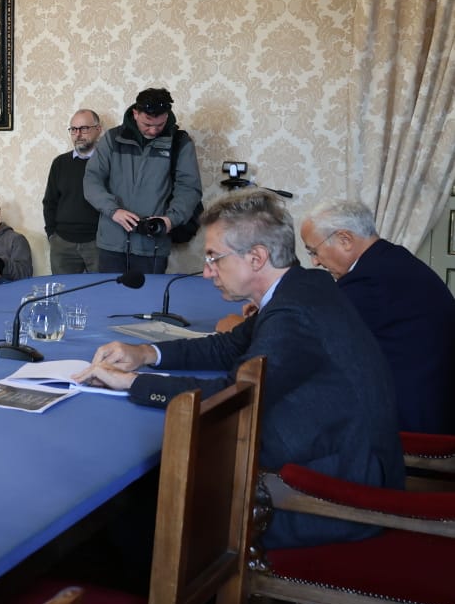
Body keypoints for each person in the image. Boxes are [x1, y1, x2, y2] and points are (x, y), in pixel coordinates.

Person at [75, 188, 404, 549]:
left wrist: (132, 383)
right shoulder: (303, 286)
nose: (206, 272)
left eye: (214, 257)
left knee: (133, 512)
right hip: (338, 455)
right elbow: (228, 345)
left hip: (328, 492)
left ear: (256, 257)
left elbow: (234, 395)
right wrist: (145, 352)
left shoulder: (293, 313)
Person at [301, 199, 455, 434]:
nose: (315, 261)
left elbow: (308, 332)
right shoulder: (389, 259)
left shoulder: (370, 279)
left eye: (314, 251)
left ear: (345, 239)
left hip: (414, 420)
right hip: (433, 403)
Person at [83, 87, 202, 274]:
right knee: (110, 300)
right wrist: (113, 211)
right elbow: (91, 180)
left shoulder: (179, 142)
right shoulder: (112, 139)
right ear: (136, 113)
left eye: (160, 124)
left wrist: (170, 220)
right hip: (111, 244)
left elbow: (189, 188)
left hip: (153, 245)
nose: (153, 130)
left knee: (149, 302)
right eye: (147, 124)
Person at [43, 109, 104, 273]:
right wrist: (51, 234)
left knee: (103, 293)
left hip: (98, 242)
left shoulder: (107, 161)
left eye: (84, 128)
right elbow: (50, 202)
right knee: (63, 293)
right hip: (63, 244)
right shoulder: (60, 163)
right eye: (74, 129)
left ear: (98, 129)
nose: (78, 134)